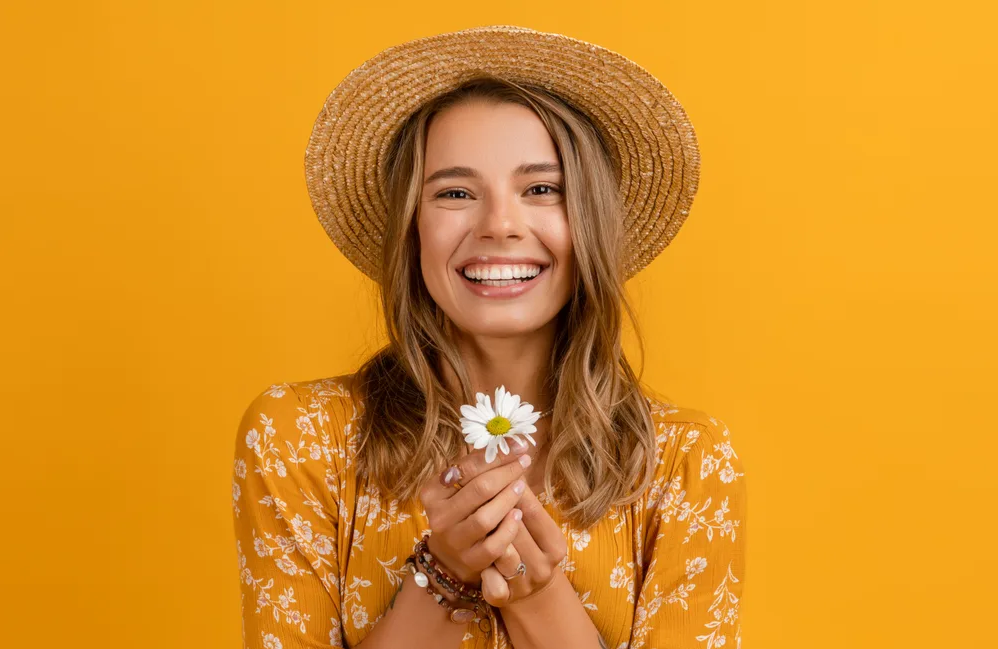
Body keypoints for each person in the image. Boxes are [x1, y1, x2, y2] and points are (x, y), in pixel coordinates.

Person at [231, 25, 746, 649]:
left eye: (541, 190)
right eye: (455, 192)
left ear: (588, 224)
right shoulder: (300, 438)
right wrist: (443, 576)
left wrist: (535, 592)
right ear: (411, 230)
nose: (500, 225)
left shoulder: (686, 463)